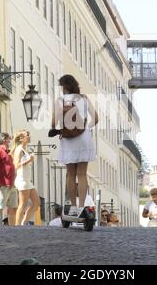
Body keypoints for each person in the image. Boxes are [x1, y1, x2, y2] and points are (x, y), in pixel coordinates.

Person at [51, 75, 98, 217]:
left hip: (68, 138)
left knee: (70, 174)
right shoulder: (83, 98)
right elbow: (96, 118)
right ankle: (82, 207)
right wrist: (86, 128)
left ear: (64, 87)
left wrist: (55, 128)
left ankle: (72, 206)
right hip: (83, 136)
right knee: (82, 174)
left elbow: (54, 120)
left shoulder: (60, 100)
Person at [0, 133, 18, 226]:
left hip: (11, 185)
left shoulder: (8, 152)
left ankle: (12, 228)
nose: (10, 140)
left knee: (13, 207)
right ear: (4, 139)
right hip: (3, 184)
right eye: (9, 139)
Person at [12, 130, 40, 226]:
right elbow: (16, 165)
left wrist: (28, 160)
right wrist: (29, 160)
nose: (29, 137)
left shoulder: (24, 149)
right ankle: (17, 225)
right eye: (27, 135)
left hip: (27, 180)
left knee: (36, 203)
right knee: (22, 205)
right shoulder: (19, 149)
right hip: (22, 180)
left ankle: (24, 222)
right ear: (21, 139)